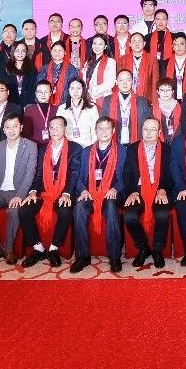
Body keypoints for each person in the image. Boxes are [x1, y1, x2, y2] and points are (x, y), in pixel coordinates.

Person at [19, 116, 82, 268]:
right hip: (44, 192)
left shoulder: (75, 148)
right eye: (52, 127)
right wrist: (33, 191)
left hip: (64, 192)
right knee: (24, 210)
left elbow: (74, 174)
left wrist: (67, 193)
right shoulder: (42, 148)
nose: (55, 130)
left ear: (65, 128)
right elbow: (38, 174)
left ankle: (53, 248)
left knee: (65, 211)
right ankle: (38, 248)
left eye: (58, 126)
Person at [0, 114, 37, 265]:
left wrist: (20, 196)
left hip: (17, 192)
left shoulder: (30, 146)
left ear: (21, 127)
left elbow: (30, 174)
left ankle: (8, 249)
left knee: (15, 211)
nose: (11, 130)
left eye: (15, 126)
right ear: (3, 130)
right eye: (8, 127)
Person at [71, 116, 125, 274]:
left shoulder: (122, 150)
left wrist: (115, 188)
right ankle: (82, 257)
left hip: (112, 193)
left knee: (111, 206)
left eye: (107, 128)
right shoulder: (86, 151)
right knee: (79, 208)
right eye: (100, 128)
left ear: (113, 131)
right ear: (95, 131)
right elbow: (79, 177)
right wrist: (83, 190)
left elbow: (126, 177)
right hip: (90, 192)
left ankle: (114, 257)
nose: (104, 131)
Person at [123, 116, 173, 269]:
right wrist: (132, 191)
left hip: (159, 189)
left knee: (162, 213)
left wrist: (163, 189)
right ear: (141, 130)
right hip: (138, 190)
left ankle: (157, 250)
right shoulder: (132, 148)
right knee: (129, 215)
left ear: (159, 132)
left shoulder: (167, 149)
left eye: (153, 130)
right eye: (146, 129)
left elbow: (170, 174)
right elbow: (127, 173)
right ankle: (143, 248)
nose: (149, 133)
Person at [100, 69, 152, 146]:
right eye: (121, 80)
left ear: (132, 81)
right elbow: (102, 124)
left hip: (135, 144)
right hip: (114, 144)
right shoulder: (107, 100)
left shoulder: (142, 101)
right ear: (116, 82)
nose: (125, 83)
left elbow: (146, 126)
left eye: (128, 80)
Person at [57, 78, 99, 147]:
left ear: (83, 90)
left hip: (86, 146)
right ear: (68, 90)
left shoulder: (92, 108)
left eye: (78, 88)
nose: (75, 91)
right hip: (69, 147)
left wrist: (92, 148)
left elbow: (95, 130)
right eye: (72, 88)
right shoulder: (62, 108)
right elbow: (59, 130)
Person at [117, 31, 158, 100]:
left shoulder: (152, 59)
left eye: (139, 41)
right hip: (127, 96)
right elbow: (119, 81)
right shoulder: (123, 60)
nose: (137, 44)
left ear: (144, 43)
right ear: (129, 44)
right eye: (134, 42)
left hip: (146, 97)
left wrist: (154, 101)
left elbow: (155, 82)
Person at [39, 40, 78, 107]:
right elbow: (39, 87)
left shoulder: (71, 69)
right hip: (46, 104)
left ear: (65, 52)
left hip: (65, 104)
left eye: (60, 50)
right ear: (51, 52)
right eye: (55, 50)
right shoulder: (44, 69)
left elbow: (73, 88)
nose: (57, 53)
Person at [2, 41, 37, 106]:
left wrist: (30, 104)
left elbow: (34, 88)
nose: (20, 53)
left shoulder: (31, 69)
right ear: (13, 52)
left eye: (23, 51)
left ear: (26, 53)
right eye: (17, 50)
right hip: (10, 104)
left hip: (27, 104)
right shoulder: (6, 68)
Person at [83, 35, 117, 101]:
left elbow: (111, 83)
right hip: (88, 99)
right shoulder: (88, 62)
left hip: (104, 98)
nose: (97, 47)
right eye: (95, 43)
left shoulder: (110, 61)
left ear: (105, 46)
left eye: (100, 44)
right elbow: (85, 81)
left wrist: (92, 92)